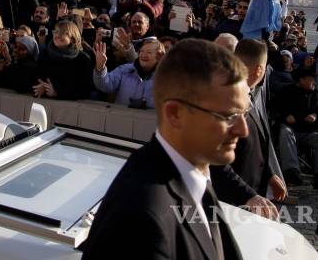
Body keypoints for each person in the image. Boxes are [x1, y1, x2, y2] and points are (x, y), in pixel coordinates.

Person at [82, 38, 249, 259]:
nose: (243, 130)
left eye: (243, 114)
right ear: (175, 114)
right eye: (228, 116)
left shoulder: (196, 175)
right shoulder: (141, 218)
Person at [211, 38, 287, 204]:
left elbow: (256, 143)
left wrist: (269, 175)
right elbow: (215, 162)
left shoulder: (250, 94)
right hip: (227, 202)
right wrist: (248, 195)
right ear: (260, 70)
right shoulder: (226, 99)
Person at [273, 65, 318, 187]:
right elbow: (273, 107)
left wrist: (316, 115)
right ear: (301, 80)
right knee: (285, 132)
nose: (314, 82)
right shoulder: (286, 92)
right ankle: (292, 171)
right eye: (311, 79)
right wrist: (286, 115)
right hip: (292, 129)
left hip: (309, 131)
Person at [92, 37, 164, 108]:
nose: (143, 55)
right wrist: (100, 68)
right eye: (142, 51)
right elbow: (104, 85)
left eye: (149, 52)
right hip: (123, 117)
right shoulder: (125, 70)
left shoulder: (165, 78)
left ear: (159, 56)